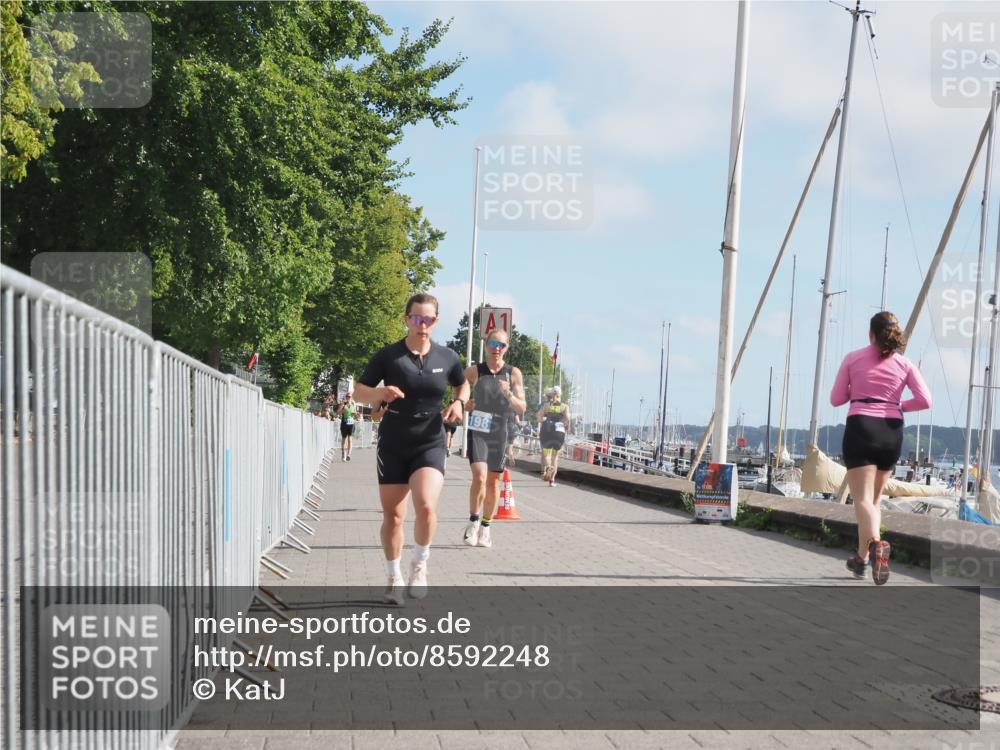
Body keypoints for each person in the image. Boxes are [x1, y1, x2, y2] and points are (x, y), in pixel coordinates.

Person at [353, 293, 469, 604]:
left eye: (428, 319)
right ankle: (393, 576)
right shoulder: (389, 356)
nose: (422, 325)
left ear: (435, 322)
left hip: (429, 439)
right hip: (393, 441)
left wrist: (458, 402)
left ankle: (419, 564)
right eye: (417, 318)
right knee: (393, 517)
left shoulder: (448, 357)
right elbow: (358, 392)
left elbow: (462, 382)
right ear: (406, 319)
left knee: (427, 507)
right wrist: (381, 391)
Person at [830, 311, 931, 585]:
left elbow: (836, 399)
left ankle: (875, 544)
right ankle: (862, 560)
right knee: (873, 503)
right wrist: (898, 404)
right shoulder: (904, 364)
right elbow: (925, 400)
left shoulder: (853, 358)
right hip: (891, 430)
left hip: (862, 426)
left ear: (871, 334)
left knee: (861, 500)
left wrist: (859, 389)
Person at [462, 329, 527, 548]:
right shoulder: (474, 371)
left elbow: (522, 407)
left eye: (501, 345)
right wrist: (464, 404)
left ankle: (486, 527)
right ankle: (473, 522)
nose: (496, 349)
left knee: (493, 481)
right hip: (479, 427)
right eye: (493, 344)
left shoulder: (513, 373)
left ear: (507, 348)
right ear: (486, 345)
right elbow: (458, 390)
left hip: (501, 429)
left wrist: (508, 394)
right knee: (479, 477)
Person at [537, 386, 570, 486]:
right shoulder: (564, 407)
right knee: (555, 458)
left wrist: (544, 419)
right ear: (560, 395)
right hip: (558, 432)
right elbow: (567, 419)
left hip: (547, 430)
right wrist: (565, 426)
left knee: (546, 454)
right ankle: (552, 481)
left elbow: (538, 418)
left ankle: (548, 467)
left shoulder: (546, 405)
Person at [336, 394, 359, 461]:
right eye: (347, 397)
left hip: (351, 424)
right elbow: (337, 413)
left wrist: (356, 414)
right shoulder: (343, 404)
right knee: (343, 439)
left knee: (350, 439)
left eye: (350, 397)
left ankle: (348, 455)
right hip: (344, 423)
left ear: (352, 398)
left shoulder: (353, 405)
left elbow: (355, 415)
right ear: (346, 397)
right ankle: (343, 453)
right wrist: (343, 410)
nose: (349, 398)